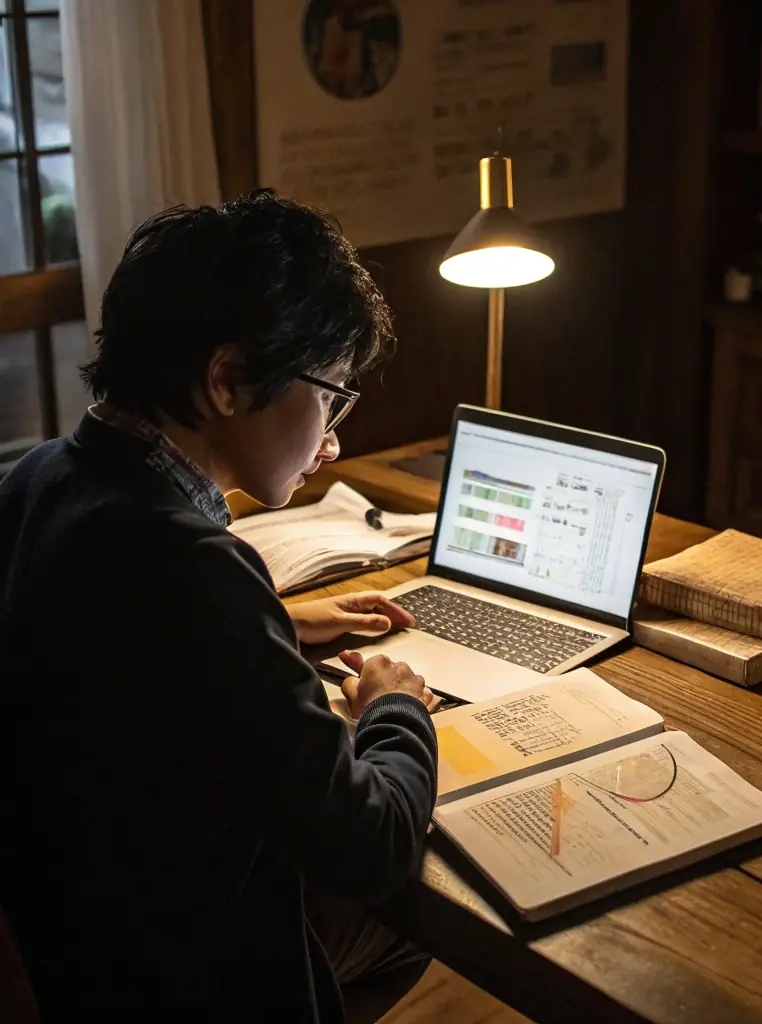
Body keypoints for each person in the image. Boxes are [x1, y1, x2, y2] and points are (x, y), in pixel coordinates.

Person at [0, 190, 439, 1021]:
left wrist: (269, 621)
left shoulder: (40, 475)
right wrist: (395, 710)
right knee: (412, 915)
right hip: (173, 978)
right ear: (228, 380)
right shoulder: (191, 571)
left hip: (70, 935)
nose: (335, 439)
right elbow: (368, 846)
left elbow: (114, 640)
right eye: (331, 396)